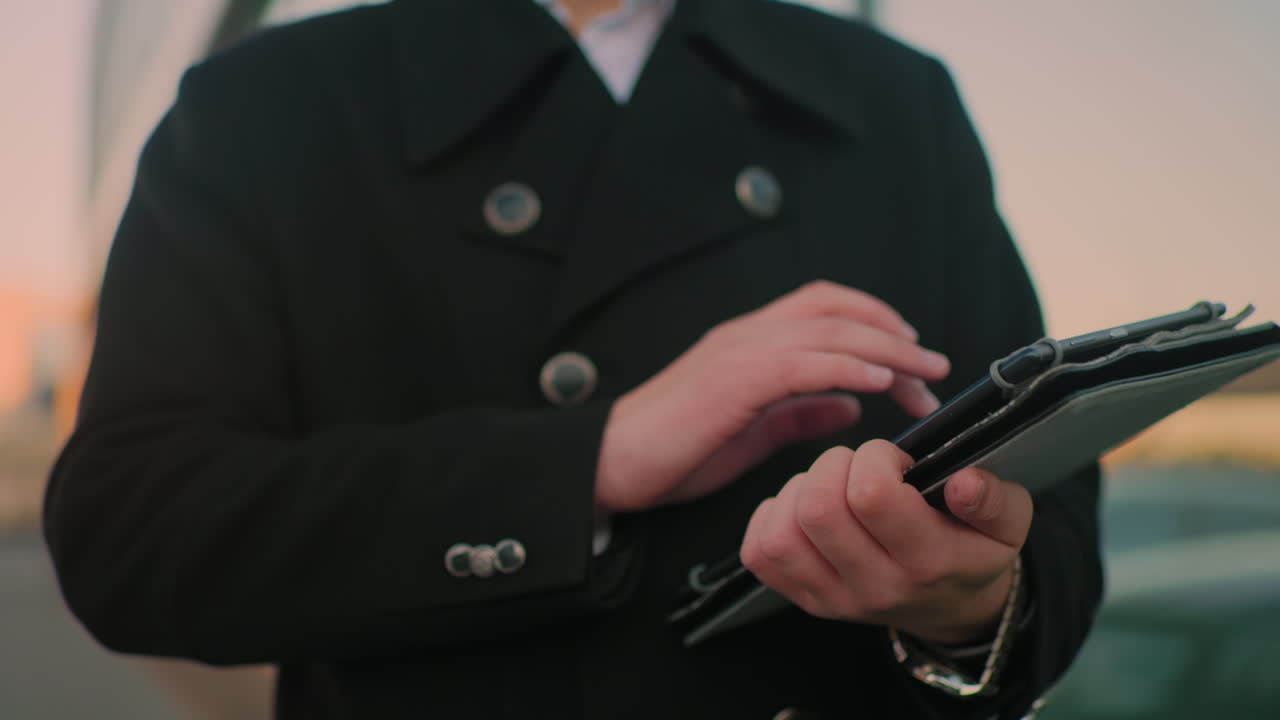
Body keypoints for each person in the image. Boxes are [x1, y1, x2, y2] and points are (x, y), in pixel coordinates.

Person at [43, 0, 1103, 718]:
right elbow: (131, 537)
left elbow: (1049, 529)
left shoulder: (895, 99)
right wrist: (593, 458)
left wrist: (965, 605)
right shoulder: (259, 105)